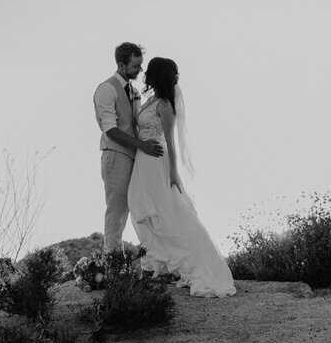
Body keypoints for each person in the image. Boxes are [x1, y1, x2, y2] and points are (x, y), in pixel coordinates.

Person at [126, 57, 236, 297]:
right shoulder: (150, 100)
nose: (145, 74)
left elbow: (170, 141)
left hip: (157, 161)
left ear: (156, 75)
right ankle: (157, 265)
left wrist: (174, 173)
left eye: (150, 71)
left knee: (165, 212)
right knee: (139, 206)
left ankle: (184, 265)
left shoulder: (165, 105)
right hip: (143, 161)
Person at [93, 42, 162, 253]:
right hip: (116, 155)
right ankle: (113, 264)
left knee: (143, 208)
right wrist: (142, 145)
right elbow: (110, 130)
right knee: (117, 211)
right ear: (122, 65)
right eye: (135, 66)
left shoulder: (134, 91)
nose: (140, 71)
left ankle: (151, 259)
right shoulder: (106, 89)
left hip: (138, 157)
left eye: (141, 66)